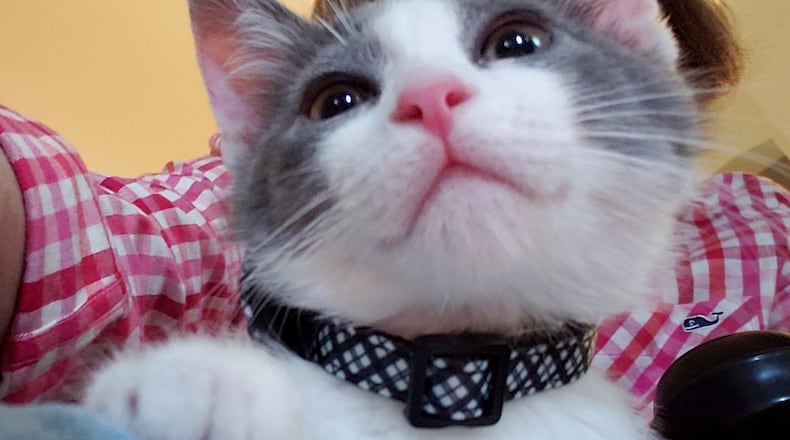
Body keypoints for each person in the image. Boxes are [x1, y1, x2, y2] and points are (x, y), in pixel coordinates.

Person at [0, 0, 784, 437]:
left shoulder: (768, 235)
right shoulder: (249, 401)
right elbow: (79, 226)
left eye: (514, 40)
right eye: (339, 98)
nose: (427, 95)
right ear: (246, 143)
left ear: (635, 40)